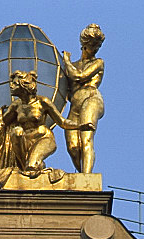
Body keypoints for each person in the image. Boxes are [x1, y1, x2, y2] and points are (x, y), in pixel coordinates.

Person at [1, 70, 94, 174]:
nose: (11, 86)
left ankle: (33, 165)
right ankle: (29, 167)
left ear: (23, 86)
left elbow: (62, 122)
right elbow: (2, 123)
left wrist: (80, 126)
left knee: (32, 166)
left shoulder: (43, 102)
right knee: (16, 131)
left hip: (42, 138)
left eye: (14, 84)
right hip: (24, 141)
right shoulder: (16, 105)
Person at [61, 24, 105, 174]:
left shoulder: (98, 63)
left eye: (98, 45)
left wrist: (66, 61)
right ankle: (82, 176)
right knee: (72, 146)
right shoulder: (72, 66)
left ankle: (87, 177)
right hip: (75, 105)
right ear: (84, 44)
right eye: (93, 44)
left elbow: (80, 76)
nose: (96, 48)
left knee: (86, 138)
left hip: (91, 99)